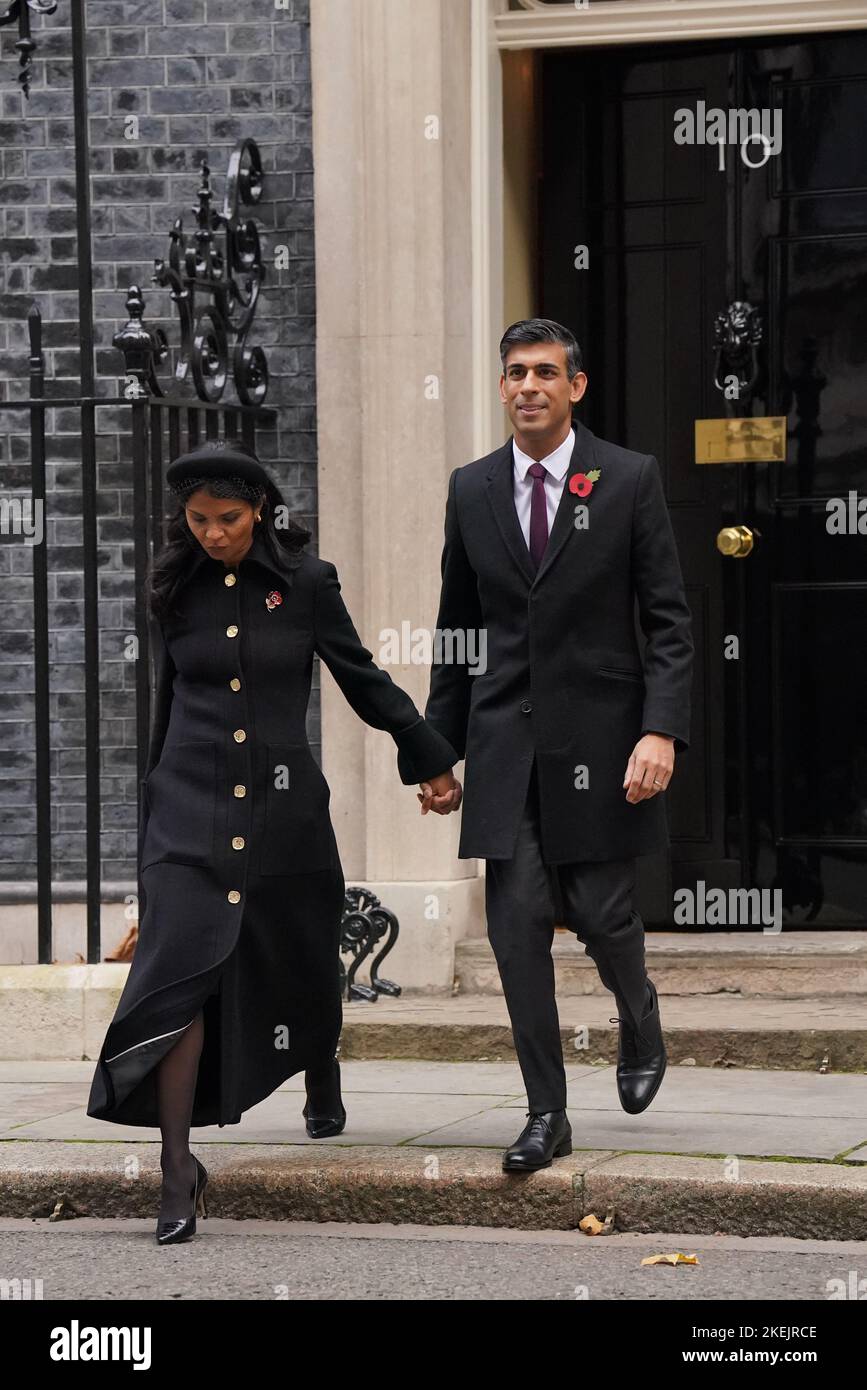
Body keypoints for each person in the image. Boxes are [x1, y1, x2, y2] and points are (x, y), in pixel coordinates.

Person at [87, 438, 460, 1243]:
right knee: (176, 971)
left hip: (282, 809)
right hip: (185, 805)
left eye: (227, 518)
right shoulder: (173, 586)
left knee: (298, 947)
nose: (213, 534)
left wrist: (427, 757)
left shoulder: (305, 583)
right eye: (198, 520)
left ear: (259, 510)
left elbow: (361, 677)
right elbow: (165, 704)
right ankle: (177, 1169)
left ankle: (317, 1068)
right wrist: (150, 819)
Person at [417, 319, 694, 1172]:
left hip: (603, 744)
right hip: (505, 746)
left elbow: (669, 622)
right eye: (513, 374)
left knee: (608, 919)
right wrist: (435, 748)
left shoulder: (627, 479)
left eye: (544, 372)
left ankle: (637, 1011)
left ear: (575, 387)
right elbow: (456, 630)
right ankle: (545, 1113)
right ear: (500, 389)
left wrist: (660, 729)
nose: (527, 386)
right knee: (515, 929)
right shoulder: (471, 490)